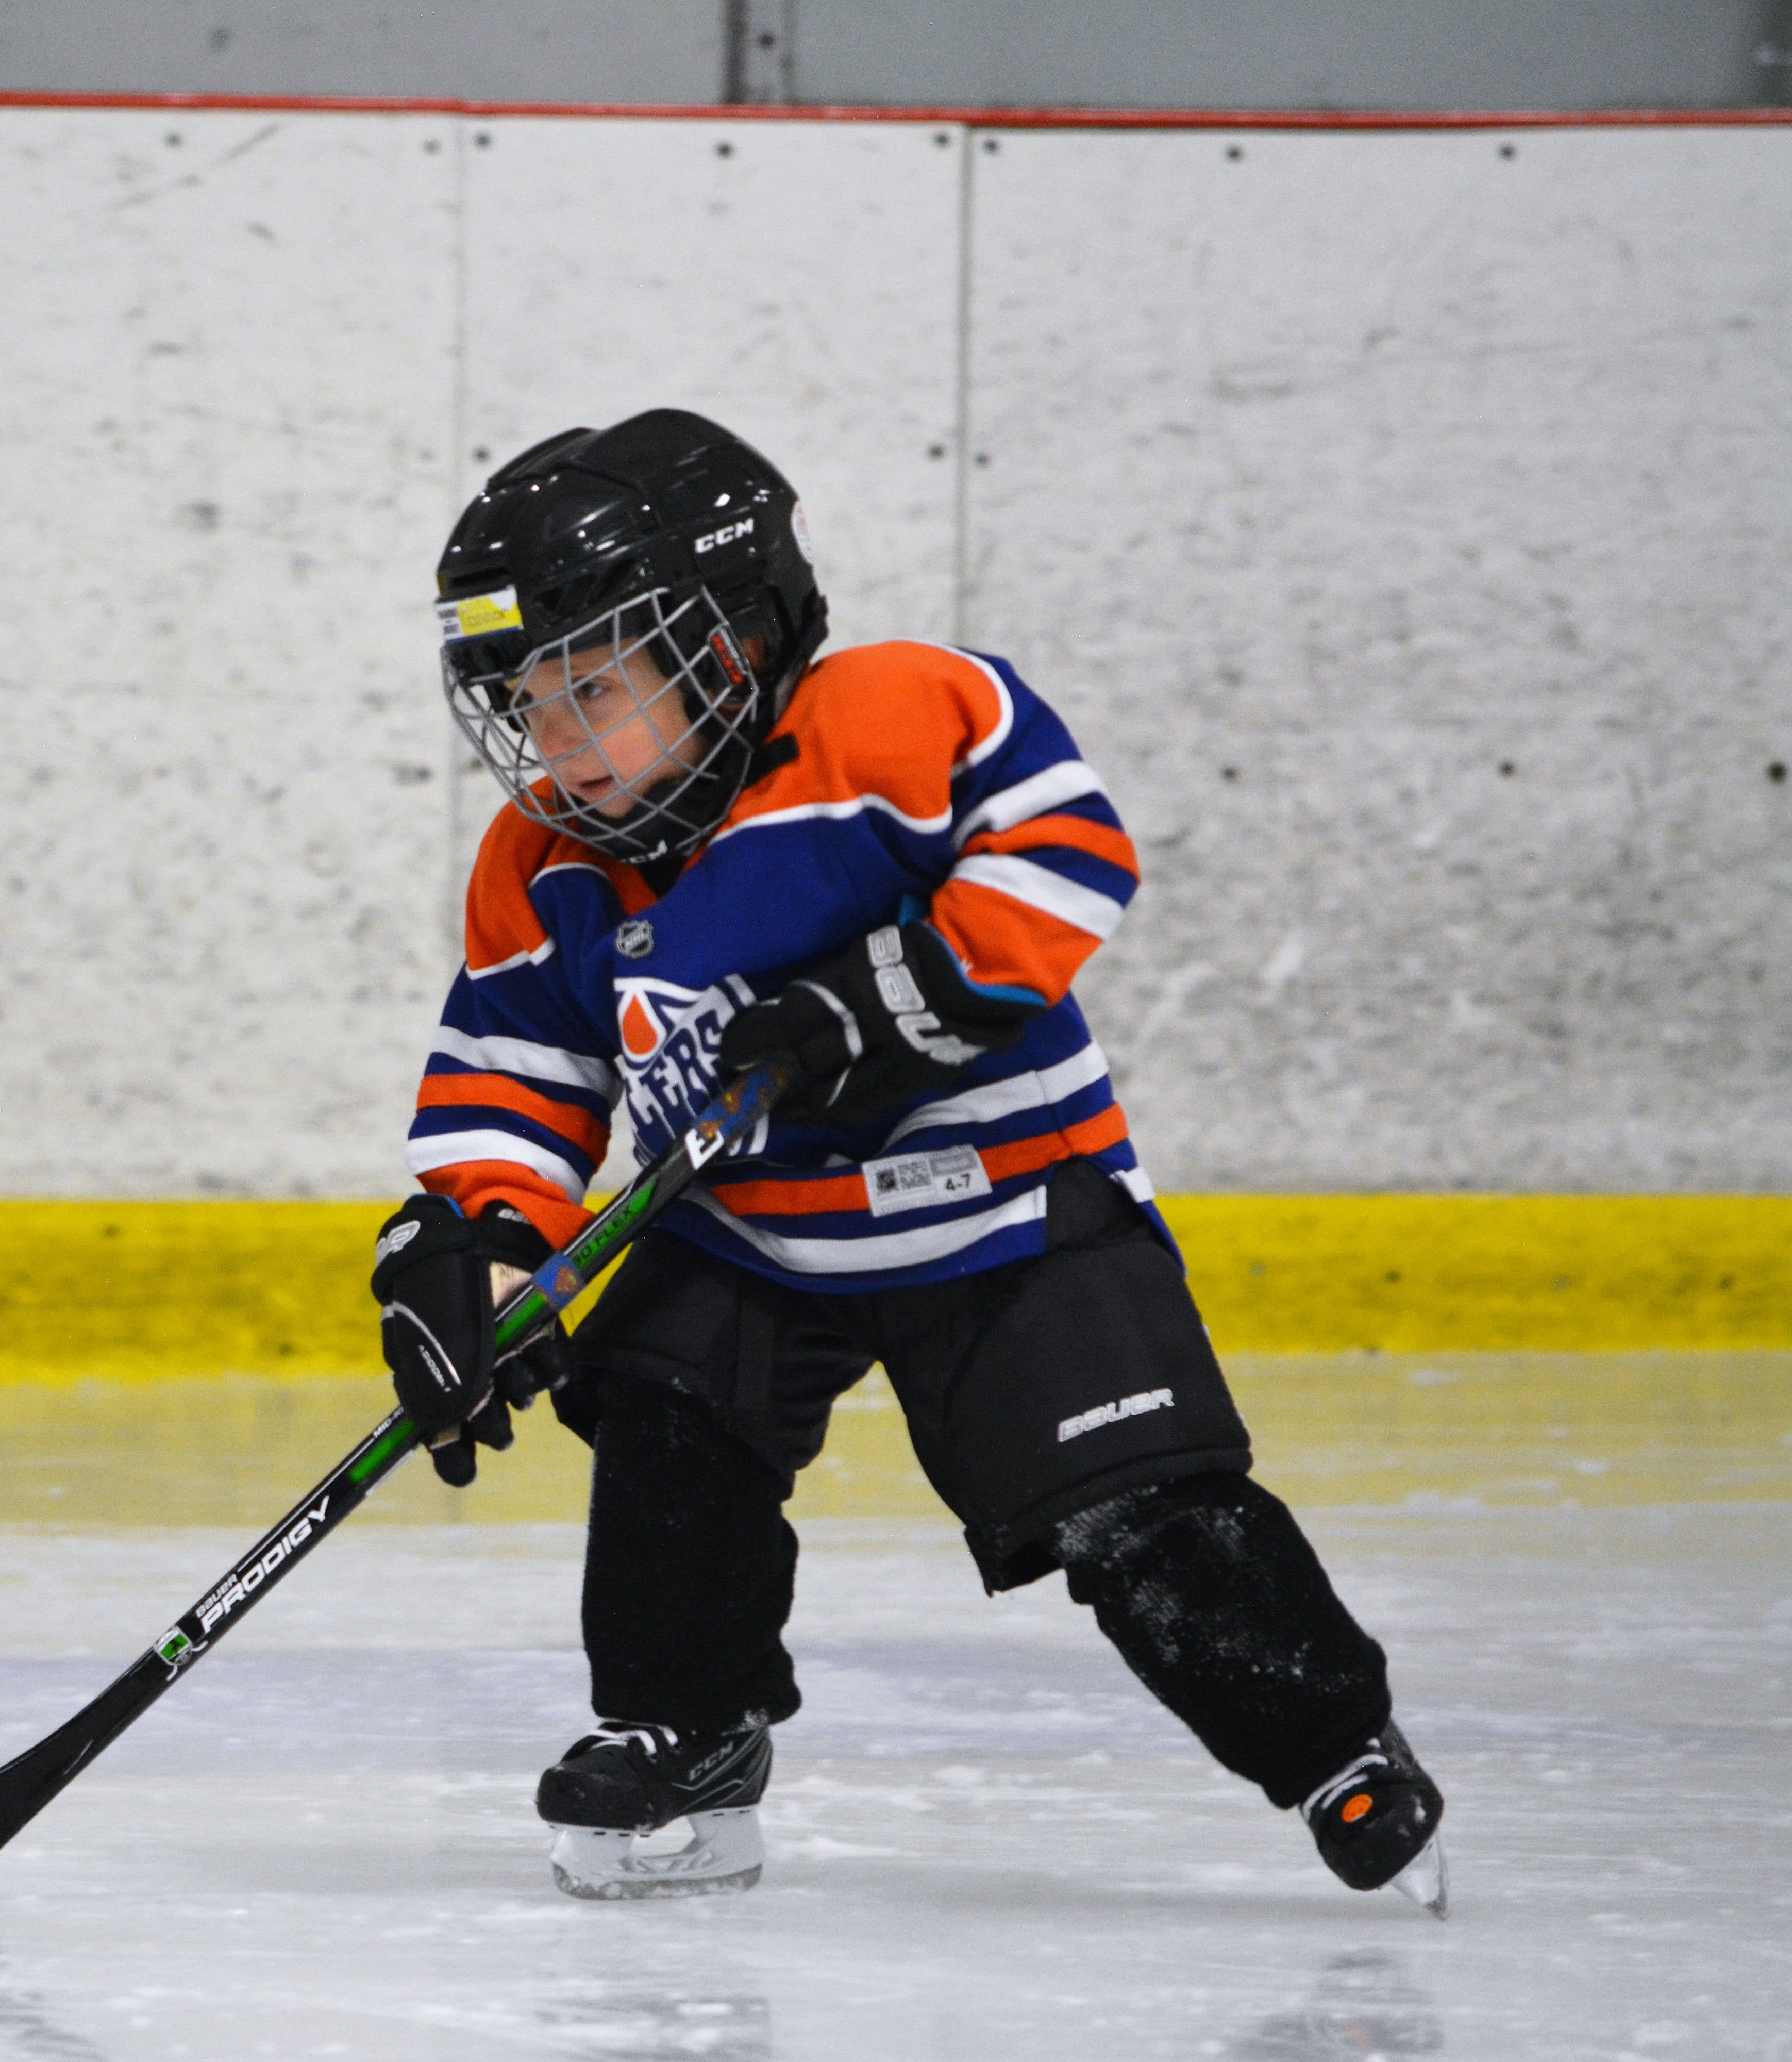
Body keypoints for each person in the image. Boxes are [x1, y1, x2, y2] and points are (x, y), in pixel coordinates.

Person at [365, 408, 1446, 1910]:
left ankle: (1332, 1740)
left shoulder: (896, 712)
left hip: (1005, 1203)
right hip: (741, 1225)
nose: (553, 745)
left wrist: (891, 993)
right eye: (526, 702)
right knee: (671, 1446)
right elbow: (519, 1075)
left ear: (727, 645)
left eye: (592, 691)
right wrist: (476, 1241)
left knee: (1139, 1510)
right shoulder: (543, 866)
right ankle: (691, 1730)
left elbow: (1069, 850)